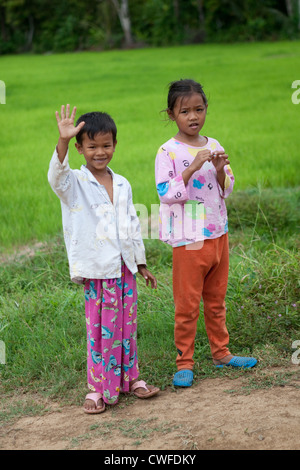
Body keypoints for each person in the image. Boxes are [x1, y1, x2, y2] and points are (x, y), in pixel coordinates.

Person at [48, 104, 159, 413]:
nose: (100, 151)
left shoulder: (122, 183)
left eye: (106, 145)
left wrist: (141, 264)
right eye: (92, 146)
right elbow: (56, 177)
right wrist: (62, 141)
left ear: (115, 145)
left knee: (127, 326)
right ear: (80, 148)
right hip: (98, 272)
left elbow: (132, 226)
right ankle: (98, 388)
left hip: (124, 270)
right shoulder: (75, 184)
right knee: (99, 329)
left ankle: (131, 379)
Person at [155, 79, 257, 387]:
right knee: (187, 304)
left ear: (206, 109)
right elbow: (165, 193)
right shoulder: (168, 152)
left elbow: (227, 188)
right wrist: (191, 167)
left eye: (198, 109)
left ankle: (221, 354)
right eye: (184, 111)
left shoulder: (215, 145)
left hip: (218, 234)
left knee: (216, 300)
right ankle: (184, 362)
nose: (193, 116)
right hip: (189, 238)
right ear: (171, 114)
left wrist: (217, 170)